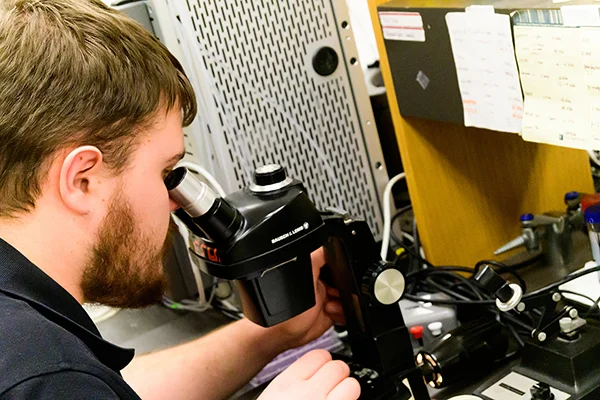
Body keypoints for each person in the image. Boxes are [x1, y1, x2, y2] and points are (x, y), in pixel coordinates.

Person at [0, 1, 361, 399]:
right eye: (164, 172)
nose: (174, 203)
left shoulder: (24, 337)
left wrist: (267, 336)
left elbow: (111, 389)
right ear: (83, 180)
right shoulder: (44, 377)